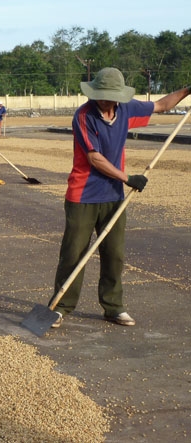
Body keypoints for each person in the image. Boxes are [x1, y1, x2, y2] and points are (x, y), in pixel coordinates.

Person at [50, 67, 191, 329]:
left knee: (114, 254)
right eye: (101, 96)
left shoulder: (126, 109)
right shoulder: (84, 116)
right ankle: (60, 307)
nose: (104, 101)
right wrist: (128, 178)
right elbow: (94, 158)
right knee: (74, 253)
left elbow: (160, 105)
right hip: (83, 195)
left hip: (113, 196)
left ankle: (113, 307)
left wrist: (187, 90)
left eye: (109, 96)